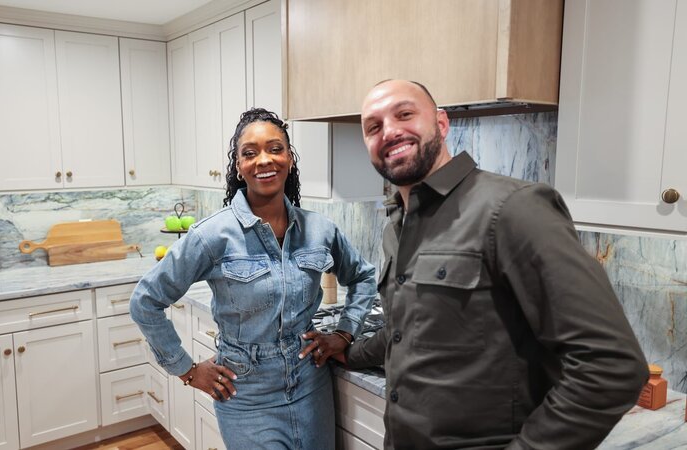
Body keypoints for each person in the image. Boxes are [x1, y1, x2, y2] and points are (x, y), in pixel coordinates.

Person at [329, 79, 649, 449]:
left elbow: (612, 366)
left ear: (442, 123)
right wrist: (350, 352)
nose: (390, 131)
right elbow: (413, 327)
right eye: (374, 126)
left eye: (404, 114)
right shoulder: (397, 226)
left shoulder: (513, 208)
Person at [130, 108, 377, 449]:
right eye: (250, 152)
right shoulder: (212, 235)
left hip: (310, 383)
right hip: (245, 391)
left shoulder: (319, 229)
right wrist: (186, 370)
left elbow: (364, 276)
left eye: (275, 149)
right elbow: (145, 301)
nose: (264, 160)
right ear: (238, 165)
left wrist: (345, 332)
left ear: (290, 159)